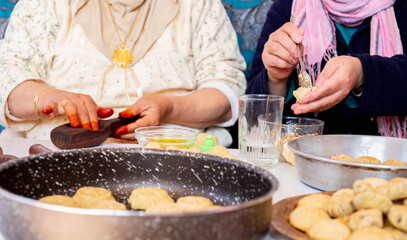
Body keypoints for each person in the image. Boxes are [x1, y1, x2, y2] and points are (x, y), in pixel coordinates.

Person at [0, 0, 246, 146]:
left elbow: (227, 92)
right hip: (52, 153)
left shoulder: (197, 6)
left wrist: (170, 108)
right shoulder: (45, 5)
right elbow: (7, 79)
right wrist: (47, 97)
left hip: (173, 157)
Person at [247, 0, 407, 137]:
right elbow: (251, 114)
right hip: (304, 162)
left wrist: (363, 74)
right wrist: (276, 79)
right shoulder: (288, 7)